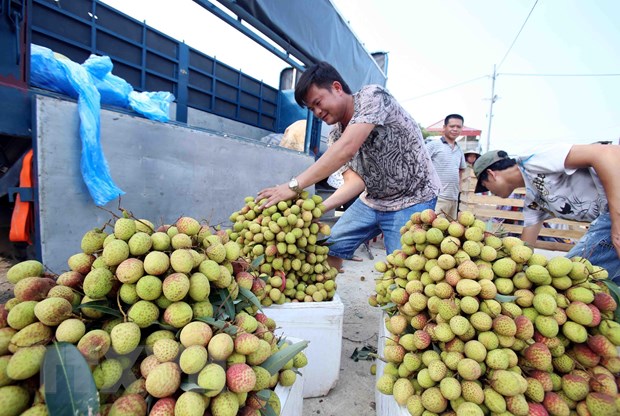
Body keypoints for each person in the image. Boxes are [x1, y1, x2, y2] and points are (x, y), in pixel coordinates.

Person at [257, 61, 440, 271]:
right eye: (311, 108)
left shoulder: (372, 96)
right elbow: (355, 182)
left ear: (337, 87)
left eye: (318, 102)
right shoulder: (335, 135)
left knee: (405, 271)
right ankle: (326, 298)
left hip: (413, 199)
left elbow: (348, 148)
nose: (316, 112)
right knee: (330, 246)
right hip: (373, 201)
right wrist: (318, 210)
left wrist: (293, 186)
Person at [473, 144, 620, 278]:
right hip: (608, 220)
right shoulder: (534, 201)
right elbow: (525, 248)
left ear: (492, 174)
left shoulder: (532, 161)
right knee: (605, 285)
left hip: (612, 217)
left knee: (571, 275)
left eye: (485, 187)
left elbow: (606, 152)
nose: (490, 193)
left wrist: (616, 219)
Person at [425, 114, 466, 219]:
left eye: (458, 127)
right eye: (452, 126)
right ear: (444, 127)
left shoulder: (459, 150)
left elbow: (461, 171)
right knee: (434, 230)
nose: (455, 129)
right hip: (437, 198)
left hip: (453, 198)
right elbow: (420, 164)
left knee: (450, 231)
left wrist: (459, 189)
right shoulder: (433, 145)